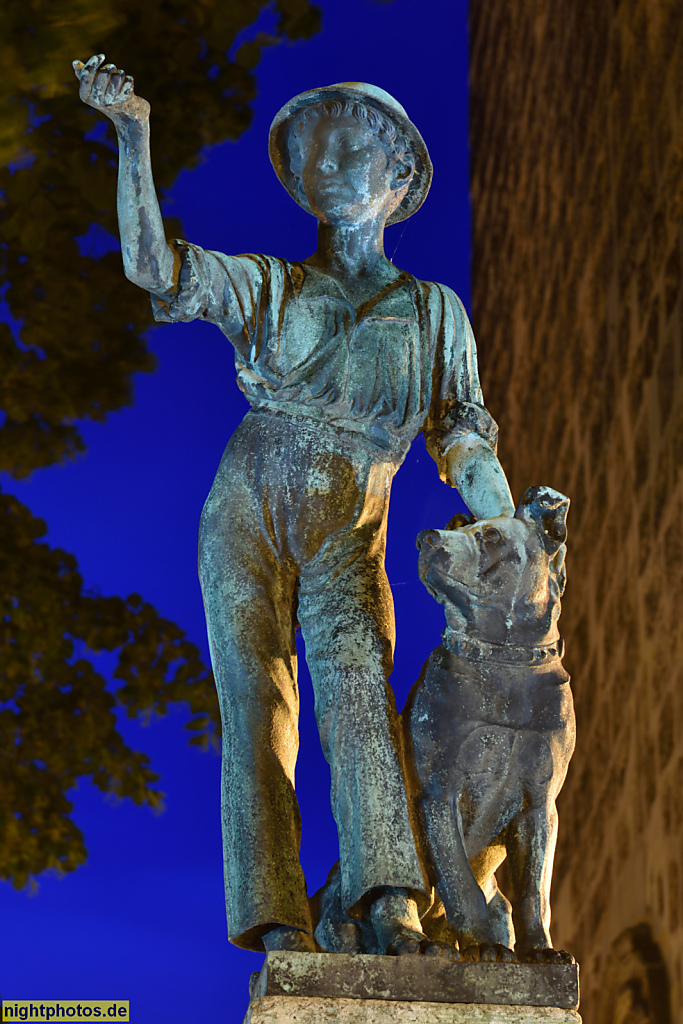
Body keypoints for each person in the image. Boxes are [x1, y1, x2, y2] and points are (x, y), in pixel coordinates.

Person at [73, 55, 515, 956]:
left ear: (397, 178)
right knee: (255, 704)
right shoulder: (273, 286)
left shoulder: (434, 315)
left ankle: (389, 893)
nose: (324, 171)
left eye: (345, 152)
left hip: (350, 521)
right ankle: (276, 914)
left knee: (357, 682)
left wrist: (510, 527)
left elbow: (464, 439)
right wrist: (132, 134)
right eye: (310, 158)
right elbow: (154, 268)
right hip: (244, 506)